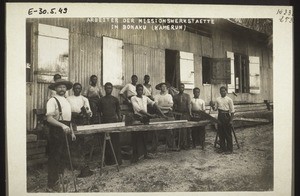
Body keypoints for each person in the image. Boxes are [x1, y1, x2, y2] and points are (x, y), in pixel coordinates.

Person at [45, 79, 76, 191]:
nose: (62, 89)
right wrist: (62, 126)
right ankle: (51, 184)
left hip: (66, 129)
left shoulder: (66, 101)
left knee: (63, 156)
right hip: (56, 130)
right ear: (55, 89)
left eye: (64, 87)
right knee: (55, 157)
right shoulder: (52, 100)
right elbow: (49, 119)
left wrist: (71, 131)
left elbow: (69, 119)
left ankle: (60, 179)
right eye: (59, 87)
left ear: (66, 89)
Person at [130, 84, 167, 163]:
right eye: (138, 90)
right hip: (137, 119)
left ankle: (145, 154)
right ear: (136, 90)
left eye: (141, 90)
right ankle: (135, 157)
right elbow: (139, 110)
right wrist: (150, 115)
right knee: (136, 137)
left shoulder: (145, 98)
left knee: (145, 136)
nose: (140, 91)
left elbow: (154, 104)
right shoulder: (133, 98)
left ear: (143, 91)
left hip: (145, 119)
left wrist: (162, 115)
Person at [66, 83, 93, 176]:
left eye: (79, 88)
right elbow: (66, 111)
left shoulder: (84, 99)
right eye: (76, 88)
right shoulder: (68, 99)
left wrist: (88, 113)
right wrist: (72, 114)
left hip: (81, 121)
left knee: (81, 142)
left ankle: (80, 164)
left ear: (81, 90)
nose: (77, 90)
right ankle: (73, 164)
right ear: (73, 89)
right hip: (72, 121)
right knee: (73, 142)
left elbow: (88, 110)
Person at [98, 82, 122, 165]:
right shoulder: (101, 100)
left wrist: (119, 118)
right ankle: (108, 161)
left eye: (110, 88)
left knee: (115, 141)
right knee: (106, 142)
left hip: (114, 121)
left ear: (112, 89)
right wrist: (100, 123)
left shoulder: (115, 99)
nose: (108, 89)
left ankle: (117, 161)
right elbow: (99, 112)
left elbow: (118, 110)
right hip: (105, 121)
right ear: (104, 89)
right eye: (107, 88)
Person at [210, 86, 235, 154]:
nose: (222, 92)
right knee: (221, 133)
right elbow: (215, 109)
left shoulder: (229, 100)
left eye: (224, 91)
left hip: (226, 116)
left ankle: (229, 149)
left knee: (227, 133)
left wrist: (231, 120)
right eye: (221, 91)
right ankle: (222, 148)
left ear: (226, 91)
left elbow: (232, 111)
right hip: (220, 116)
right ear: (220, 92)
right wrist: (212, 105)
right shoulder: (218, 99)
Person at [154, 82, 175, 150]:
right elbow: (156, 106)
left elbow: (171, 105)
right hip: (159, 114)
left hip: (168, 114)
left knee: (169, 130)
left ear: (166, 88)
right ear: (160, 88)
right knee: (156, 130)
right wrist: (167, 107)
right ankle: (155, 147)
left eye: (165, 87)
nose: (163, 88)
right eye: (162, 86)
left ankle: (171, 146)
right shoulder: (157, 96)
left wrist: (162, 106)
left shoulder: (169, 96)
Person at [173, 83, 192, 150]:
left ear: (184, 88)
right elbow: (174, 106)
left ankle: (186, 145)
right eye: (180, 87)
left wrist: (190, 113)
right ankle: (179, 145)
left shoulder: (187, 96)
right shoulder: (175, 96)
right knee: (179, 130)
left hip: (186, 114)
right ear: (178, 88)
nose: (181, 88)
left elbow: (189, 105)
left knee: (186, 130)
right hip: (178, 115)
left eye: (182, 87)